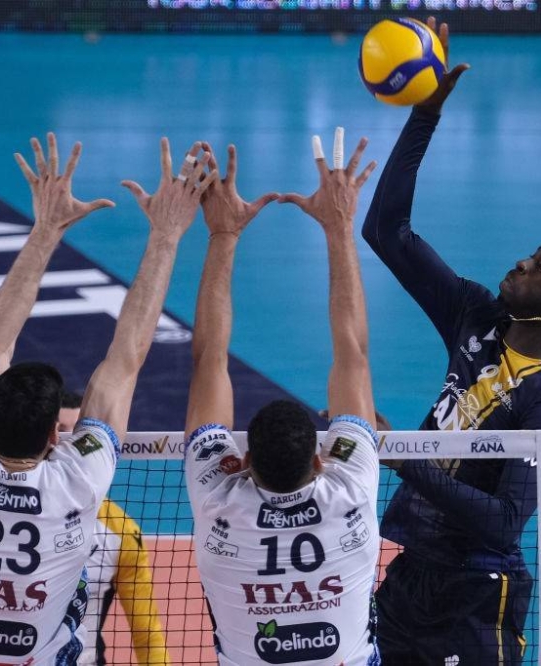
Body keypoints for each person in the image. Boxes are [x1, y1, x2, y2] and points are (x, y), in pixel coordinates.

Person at [361, 19, 541, 665]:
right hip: (412, 576)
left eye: (539, 266)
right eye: (530, 254)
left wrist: (404, 457)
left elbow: (503, 522)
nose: (521, 263)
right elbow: (386, 231)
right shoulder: (476, 314)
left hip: (478, 594)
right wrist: (424, 117)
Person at [0, 133, 215, 665]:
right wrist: (166, 235)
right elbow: (125, 359)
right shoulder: (76, 482)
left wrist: (44, 231)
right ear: (54, 436)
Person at [184, 138, 381, 665]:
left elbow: (208, 362)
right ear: (319, 462)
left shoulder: (219, 501)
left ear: (245, 461)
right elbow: (354, 354)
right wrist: (340, 227)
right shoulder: (350, 491)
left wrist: (222, 236)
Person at [59, 390, 170, 665]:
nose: (69, 445)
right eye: (61, 431)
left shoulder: (121, 533)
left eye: (78, 436)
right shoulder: (6, 509)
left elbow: (147, 633)